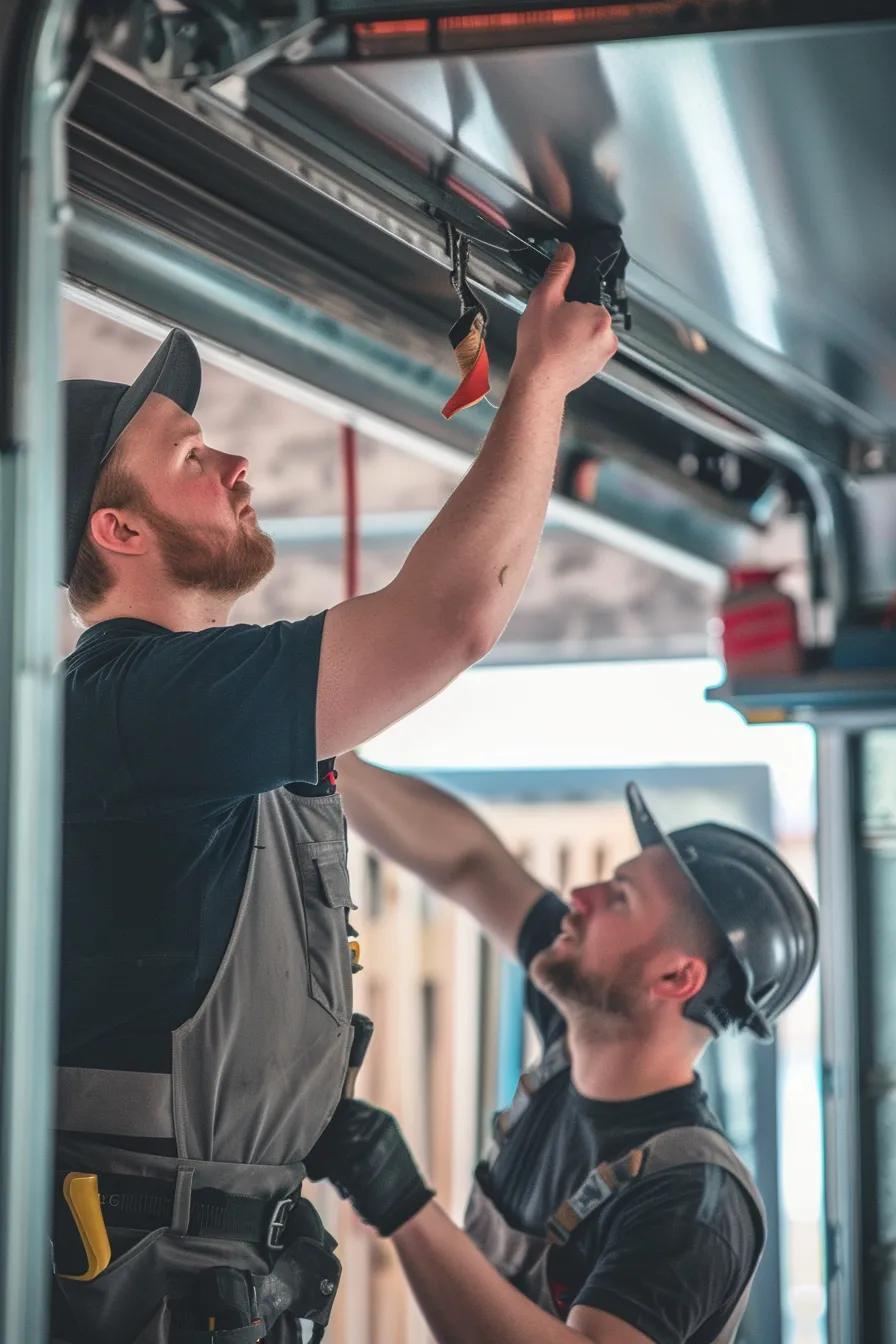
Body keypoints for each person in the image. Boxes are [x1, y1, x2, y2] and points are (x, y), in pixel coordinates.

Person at [52, 243, 619, 1344]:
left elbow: (433, 831)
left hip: (204, 1281)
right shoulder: (143, 706)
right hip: (152, 1292)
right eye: (190, 458)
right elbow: (450, 620)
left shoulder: (186, 722)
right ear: (116, 533)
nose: (235, 465)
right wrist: (538, 383)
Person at [307, 754, 819, 1344]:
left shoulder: (692, 1200)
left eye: (620, 897)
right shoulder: (574, 1036)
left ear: (677, 979)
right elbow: (470, 864)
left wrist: (402, 1204)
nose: (580, 894)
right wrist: (325, 750)